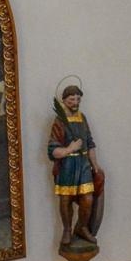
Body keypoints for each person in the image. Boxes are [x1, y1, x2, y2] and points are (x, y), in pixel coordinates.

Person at [48, 85, 103, 248]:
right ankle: (67, 229)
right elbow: (52, 150)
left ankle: (82, 227)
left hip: (84, 164)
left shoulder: (83, 118)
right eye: (72, 99)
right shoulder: (59, 121)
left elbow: (90, 143)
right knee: (65, 199)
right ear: (64, 101)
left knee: (88, 198)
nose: (75, 102)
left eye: (78, 99)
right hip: (67, 165)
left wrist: (95, 165)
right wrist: (70, 149)